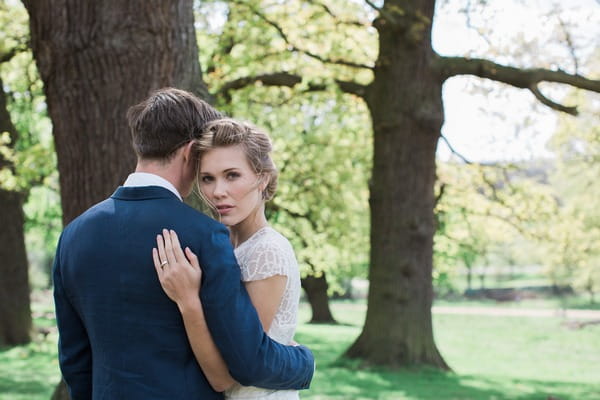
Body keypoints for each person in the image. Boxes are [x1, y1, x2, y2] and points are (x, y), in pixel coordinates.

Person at [52, 88, 314, 400]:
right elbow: (246, 359)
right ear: (190, 152)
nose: (216, 191)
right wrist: (304, 363)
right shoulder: (204, 235)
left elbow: (74, 360)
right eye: (207, 175)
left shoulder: (73, 235)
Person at [153, 118, 303, 399]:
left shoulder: (267, 251)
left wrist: (188, 300)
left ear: (262, 178)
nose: (217, 191)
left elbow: (228, 376)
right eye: (208, 178)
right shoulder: (222, 243)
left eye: (232, 175)